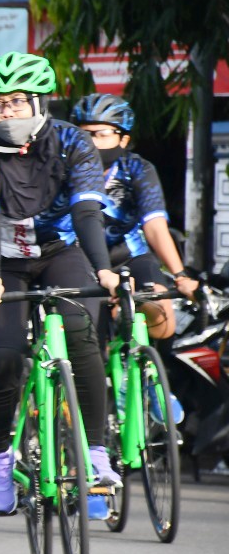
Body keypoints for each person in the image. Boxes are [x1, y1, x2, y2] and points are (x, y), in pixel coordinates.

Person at [0, 52, 120, 517]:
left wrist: (103, 269)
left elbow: (87, 211)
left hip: (61, 252)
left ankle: (94, 455)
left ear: (38, 102)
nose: (5, 113)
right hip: (5, 259)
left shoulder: (73, 142)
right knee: (1, 357)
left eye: (15, 103)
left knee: (81, 336)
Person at [73, 93, 199, 385]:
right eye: (83, 134)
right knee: (87, 338)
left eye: (100, 134)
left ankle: (154, 380)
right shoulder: (65, 170)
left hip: (129, 255)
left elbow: (155, 225)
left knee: (163, 320)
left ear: (123, 140)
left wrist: (180, 275)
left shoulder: (138, 169)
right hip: (80, 259)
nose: (91, 142)